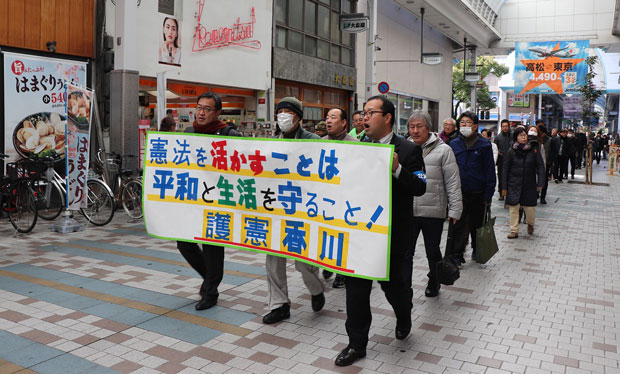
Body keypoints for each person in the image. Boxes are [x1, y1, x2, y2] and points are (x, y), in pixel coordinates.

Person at [335, 95, 426, 367]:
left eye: (370, 112)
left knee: (393, 287)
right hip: (361, 233)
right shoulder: (358, 147)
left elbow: (420, 187)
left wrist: (397, 168)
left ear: (387, 118)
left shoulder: (409, 150)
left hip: (393, 236)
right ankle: (356, 343)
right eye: (362, 113)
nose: (364, 118)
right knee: (356, 289)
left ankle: (404, 313)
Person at [263, 97, 326, 324]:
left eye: (288, 112)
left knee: (303, 261)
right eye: (280, 112)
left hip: (302, 208)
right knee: (273, 258)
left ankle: (317, 289)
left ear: (298, 117)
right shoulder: (271, 142)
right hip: (276, 208)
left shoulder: (314, 141)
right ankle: (279, 305)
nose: (283, 116)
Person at [178, 93, 241, 311]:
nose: (201, 112)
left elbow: (241, 166)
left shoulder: (229, 133)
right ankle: (210, 279)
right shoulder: (189, 132)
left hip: (218, 200)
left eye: (207, 109)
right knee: (184, 242)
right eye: (199, 107)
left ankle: (210, 291)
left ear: (217, 113)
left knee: (213, 246)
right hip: (193, 199)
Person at [408, 110, 462, 298]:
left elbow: (453, 182)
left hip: (433, 211)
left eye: (419, 126)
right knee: (406, 252)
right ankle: (405, 285)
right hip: (408, 211)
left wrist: (455, 210)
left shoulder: (443, 150)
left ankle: (434, 280)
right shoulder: (405, 148)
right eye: (412, 127)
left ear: (429, 128)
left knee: (432, 251)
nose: (415, 131)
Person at [448, 111, 496, 264]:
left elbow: (489, 170)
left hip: (478, 192)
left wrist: (489, 194)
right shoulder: (454, 144)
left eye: (468, 122)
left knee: (477, 224)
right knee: (459, 225)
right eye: (462, 122)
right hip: (459, 192)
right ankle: (457, 254)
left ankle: (477, 249)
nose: (464, 125)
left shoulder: (484, 144)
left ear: (475, 126)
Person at [320, 107, 357, 289]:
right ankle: (328, 263)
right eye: (327, 117)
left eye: (333, 117)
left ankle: (341, 273)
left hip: (345, 199)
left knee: (343, 236)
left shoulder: (355, 143)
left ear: (343, 123)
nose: (328, 121)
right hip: (326, 198)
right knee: (326, 233)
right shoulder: (320, 142)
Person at [502, 127, 546, 239]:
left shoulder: (534, 149)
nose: (523, 137)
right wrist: (504, 186)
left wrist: (541, 182)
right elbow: (505, 169)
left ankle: (530, 223)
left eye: (525, 135)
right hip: (514, 183)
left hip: (529, 184)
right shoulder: (511, 151)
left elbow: (540, 166)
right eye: (521, 135)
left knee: (530, 209)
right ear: (516, 137)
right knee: (513, 208)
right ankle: (514, 230)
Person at [494, 119, 512, 202]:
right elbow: (495, 149)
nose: (505, 128)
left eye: (506, 126)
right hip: (501, 160)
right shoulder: (498, 137)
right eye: (503, 126)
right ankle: (501, 193)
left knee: (510, 178)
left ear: (509, 127)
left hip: (511, 160)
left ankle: (509, 193)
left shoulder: (512, 136)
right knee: (501, 177)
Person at [537, 125, 552, 204]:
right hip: (536, 164)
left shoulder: (549, 140)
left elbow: (553, 152)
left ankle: (543, 197)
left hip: (546, 164)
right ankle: (536, 194)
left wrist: (549, 162)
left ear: (544, 133)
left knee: (544, 181)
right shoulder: (536, 140)